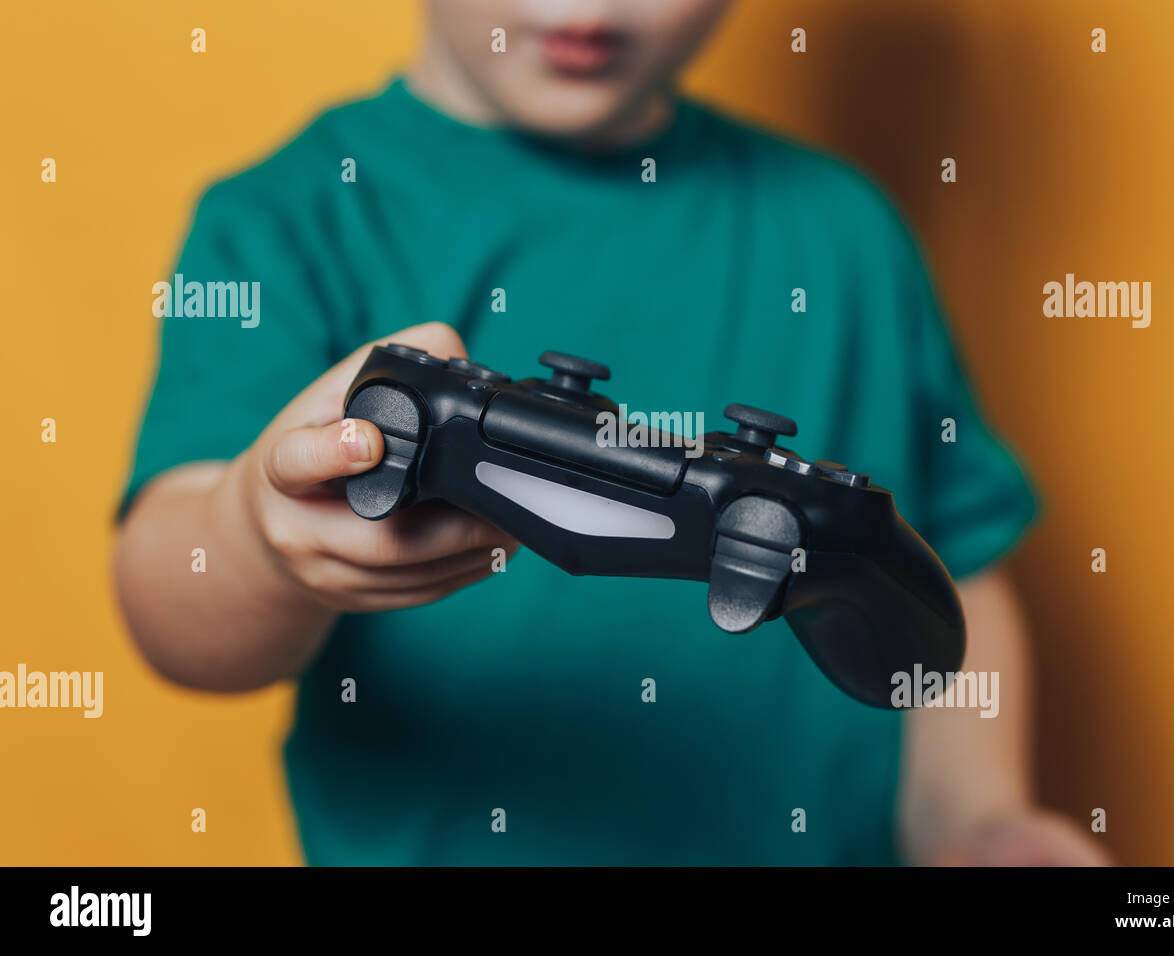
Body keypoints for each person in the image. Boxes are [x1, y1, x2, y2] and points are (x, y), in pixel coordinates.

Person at [114, 0, 1106, 865]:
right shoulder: (283, 221)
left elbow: (947, 569)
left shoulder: (845, 233)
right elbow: (169, 592)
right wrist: (254, 538)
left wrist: (976, 814)